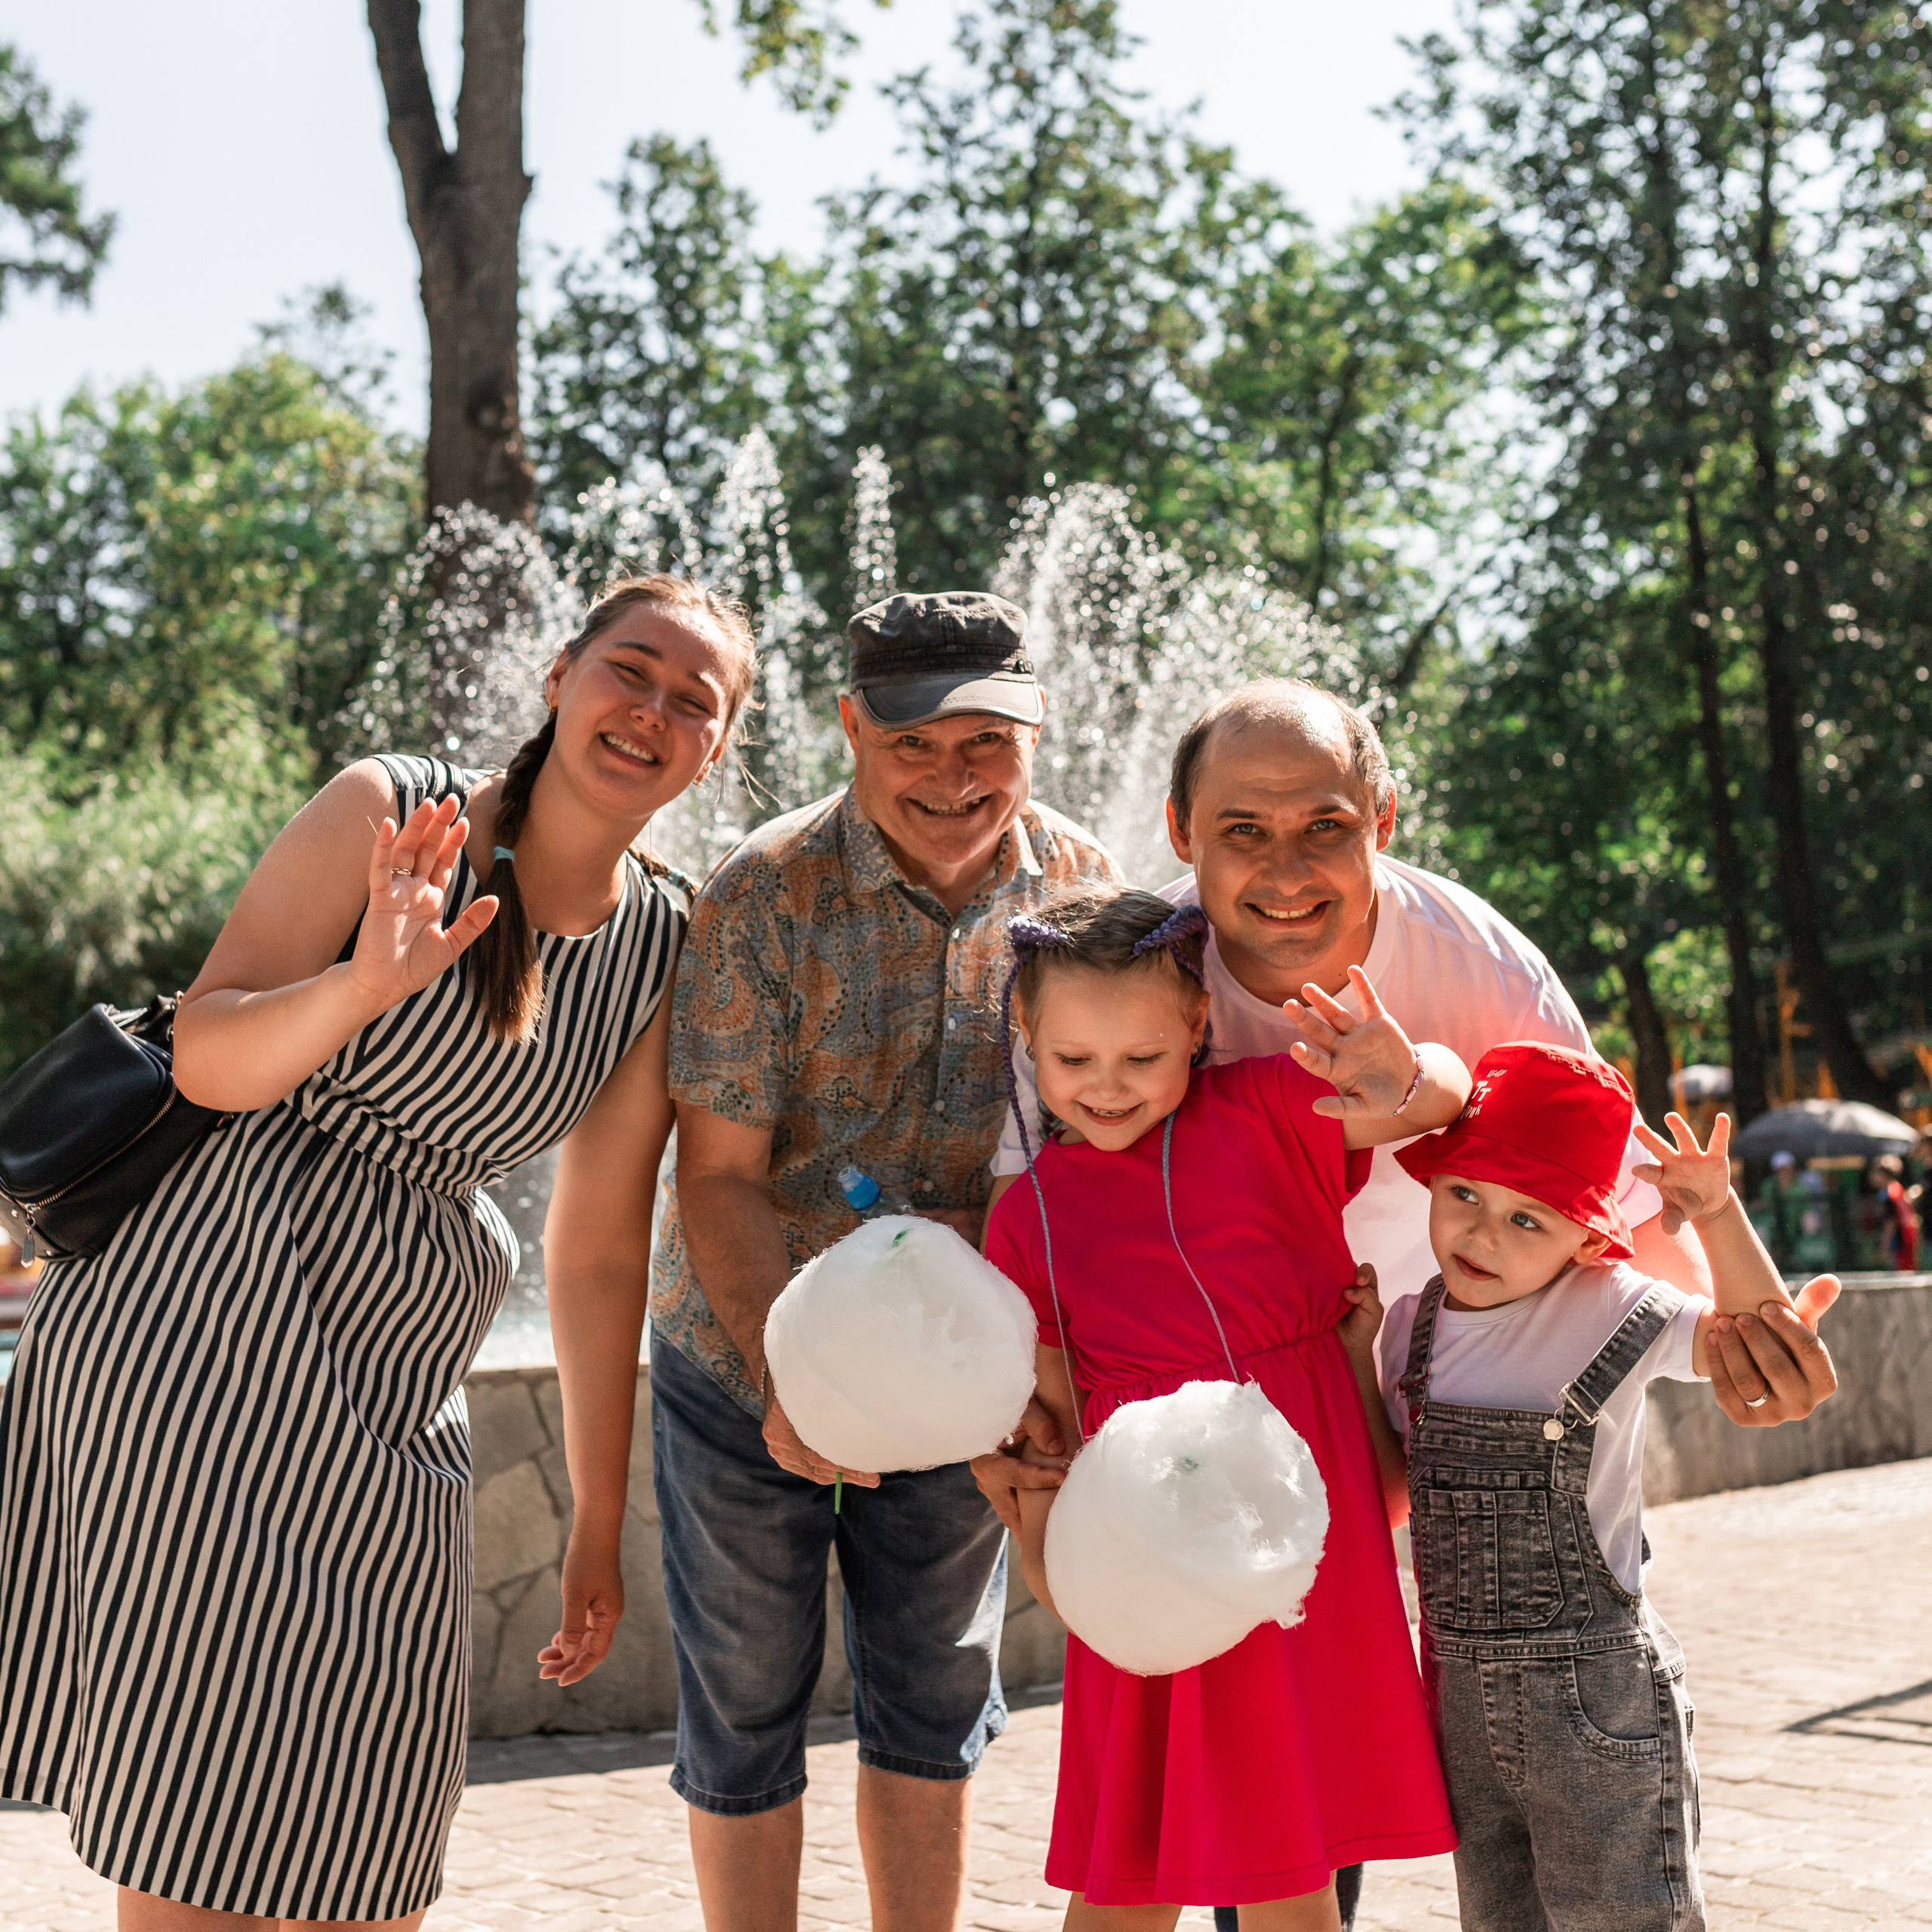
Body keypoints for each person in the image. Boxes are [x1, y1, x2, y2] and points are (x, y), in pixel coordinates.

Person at [977, 678, 1841, 1932]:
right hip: (1224, 1413)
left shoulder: (1480, 966)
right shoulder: (1124, 976)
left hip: (1424, 1358)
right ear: (1181, 828)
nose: (1284, 869)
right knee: (1206, 1813)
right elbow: (1045, 1251)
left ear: (1384, 816)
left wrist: (1737, 1338)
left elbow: (1608, 1194)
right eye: (1243, 831)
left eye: (1323, 825)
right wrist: (1028, 1467)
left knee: (1428, 1759)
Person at [0, 576, 756, 1929]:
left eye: (691, 702)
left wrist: (597, 1518)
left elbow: (591, 1252)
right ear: (560, 676)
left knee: (375, 1809)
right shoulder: (390, 806)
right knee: (205, 1815)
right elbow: (212, 1059)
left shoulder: (665, 942)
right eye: (628, 671)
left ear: (718, 748)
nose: (649, 711)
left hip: (394, 1354)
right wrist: (362, 986)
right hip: (195, 1315)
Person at [657, 592, 1118, 1930]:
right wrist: (781, 1379)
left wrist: (1051, 1352)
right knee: (746, 1702)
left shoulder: (1089, 894)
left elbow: (1105, 1151)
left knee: (934, 1694)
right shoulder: (762, 893)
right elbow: (722, 1176)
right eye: (915, 740)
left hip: (962, 1371)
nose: (954, 776)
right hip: (742, 1351)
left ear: (1035, 733)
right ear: (853, 725)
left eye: (988, 740)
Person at [984, 884, 1465, 1927]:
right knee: (1130, 1866)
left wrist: (1406, 1065)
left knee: (1293, 1860)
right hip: (1145, 1550)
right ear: (1026, 1036)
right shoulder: (1028, 1219)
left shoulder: (1270, 1113)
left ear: (1197, 1026)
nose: (1107, 1088)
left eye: (1141, 1059)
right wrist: (1035, 1541)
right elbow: (1052, 1437)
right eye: (1073, 1061)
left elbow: (1439, 1105)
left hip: (1295, 1536)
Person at [1371, 1045, 1798, 1930]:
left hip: (1595, 1703)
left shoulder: (1613, 1305)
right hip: (1455, 1702)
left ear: (1587, 1238)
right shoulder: (1407, 1328)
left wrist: (1716, 1215)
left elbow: (1758, 1338)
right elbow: (1392, 1488)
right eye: (1465, 1196)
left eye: (1531, 1220)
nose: (1484, 1234)